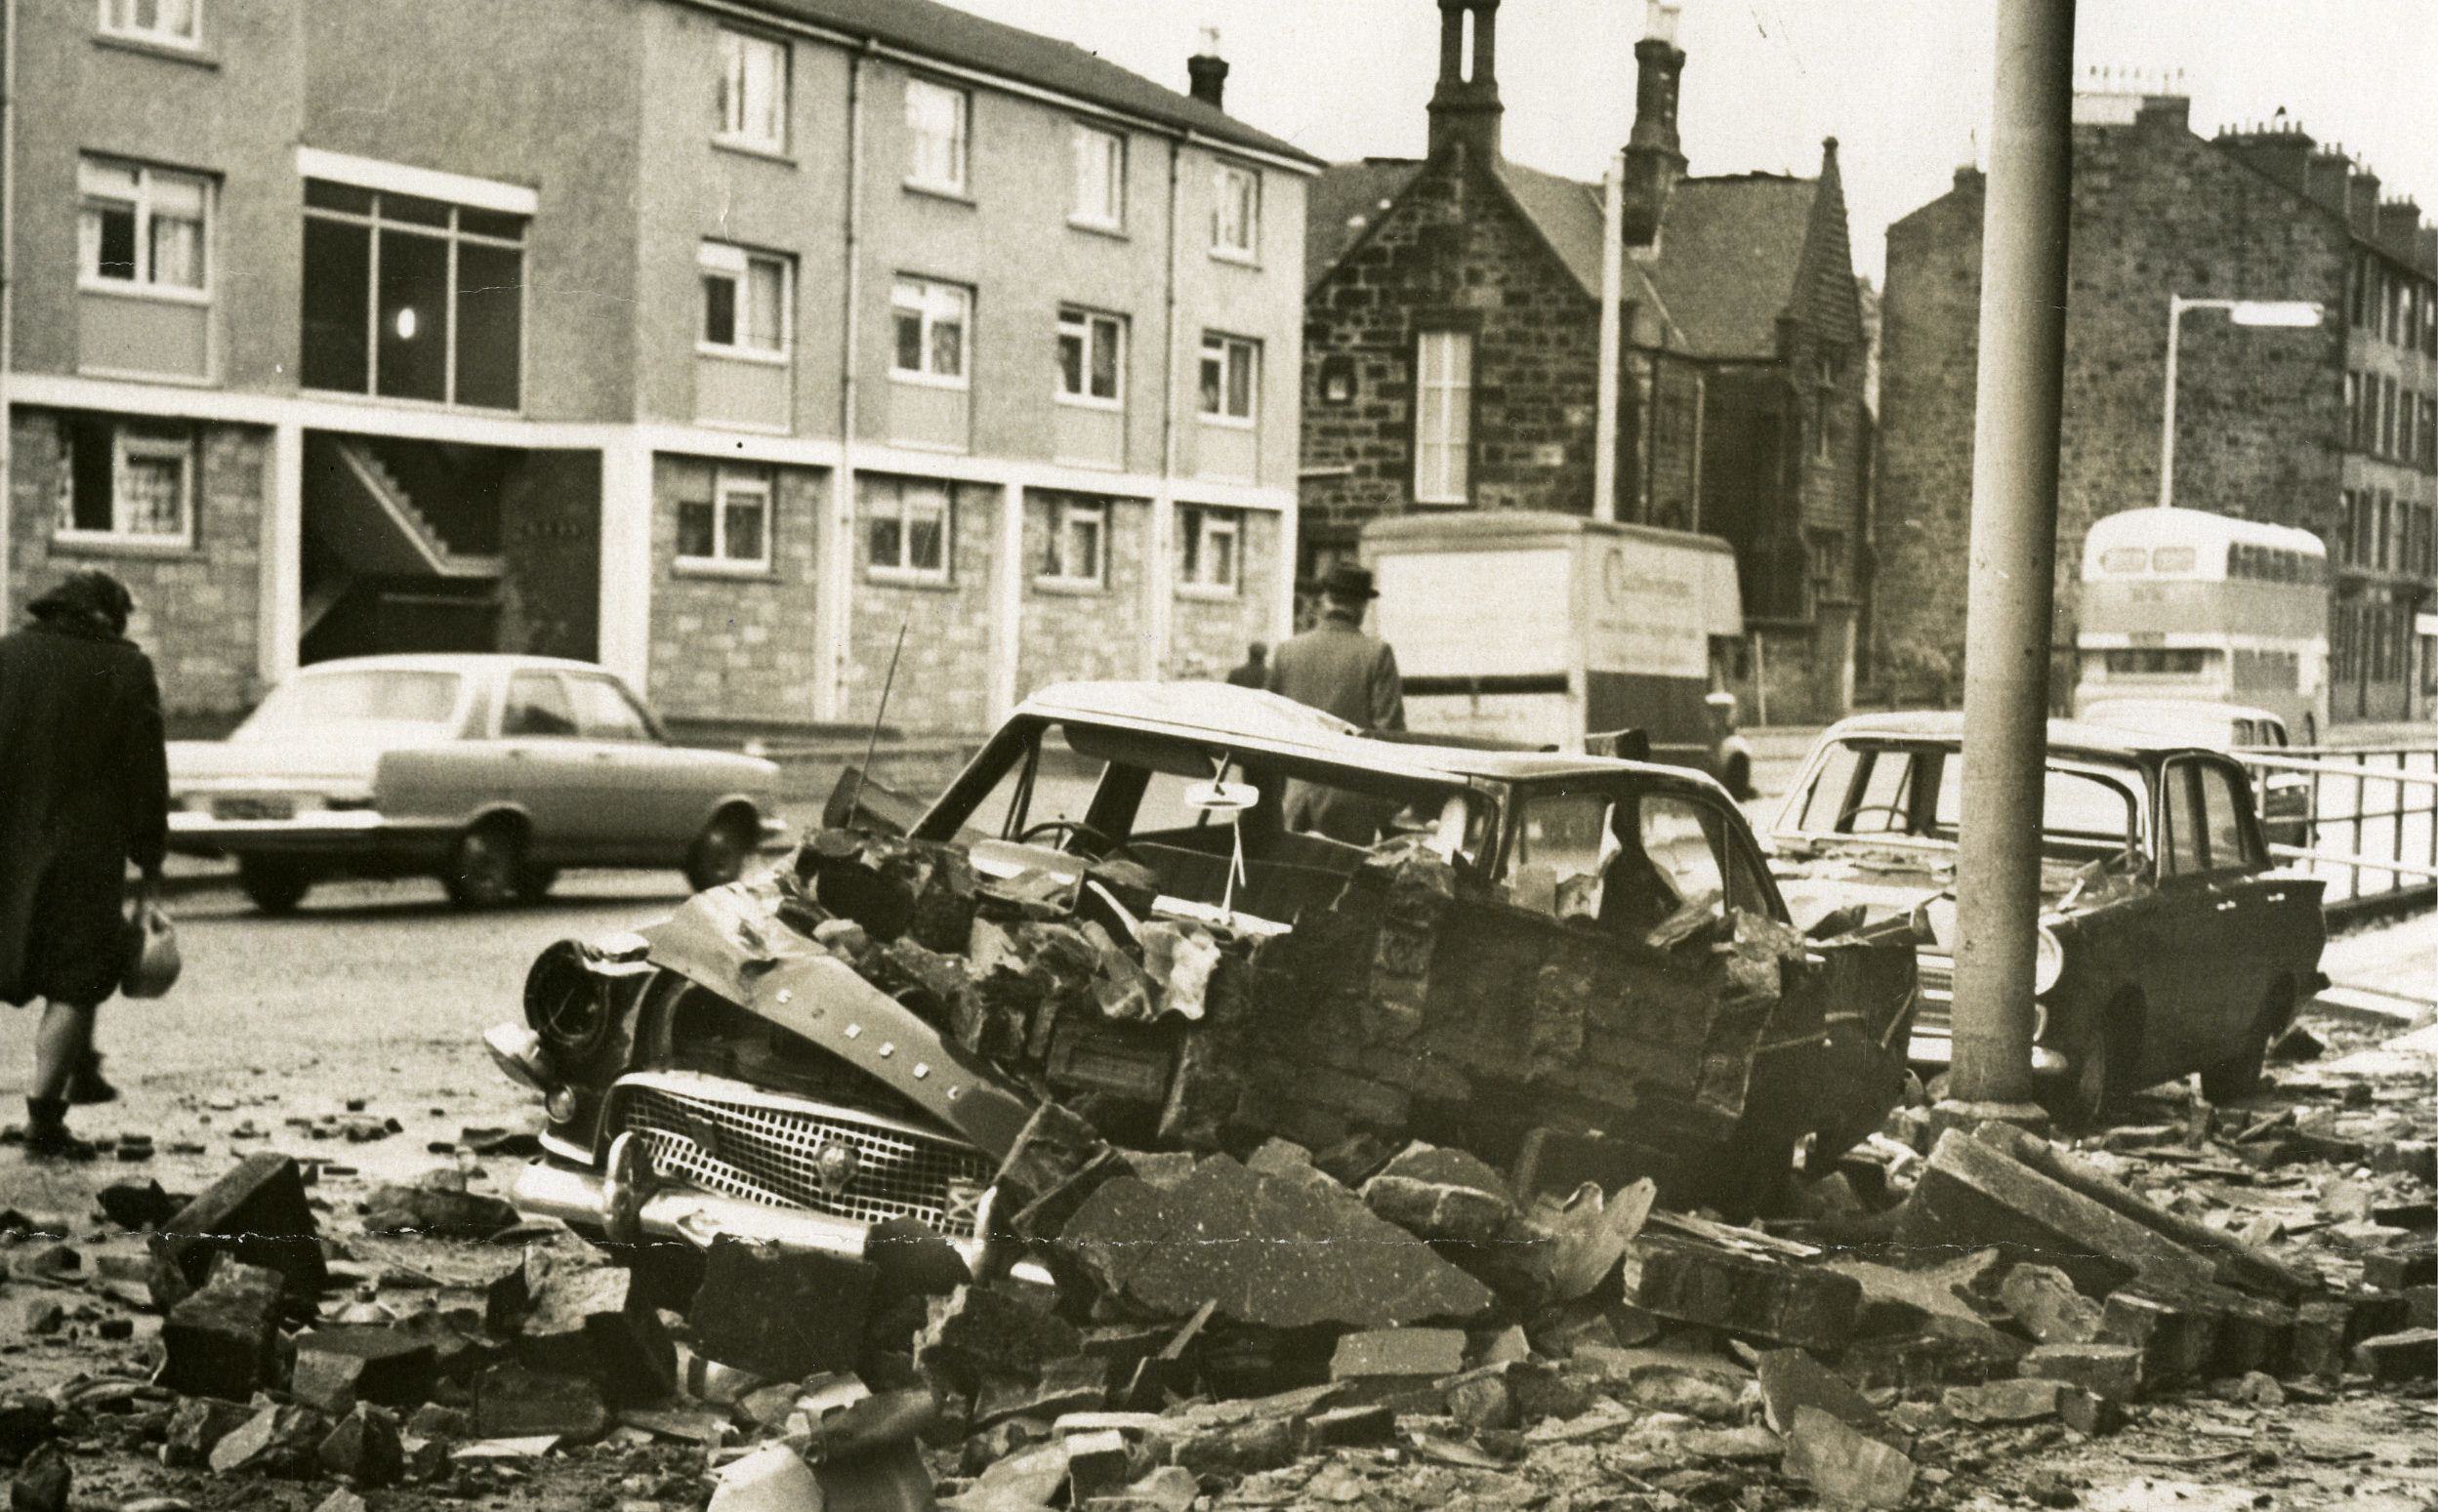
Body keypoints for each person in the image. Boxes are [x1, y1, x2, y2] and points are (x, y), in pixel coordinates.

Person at [0, 570, 168, 1160]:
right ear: (109, 615)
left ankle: (82, 1070)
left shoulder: (6, 655)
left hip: (6, 841)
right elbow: (147, 773)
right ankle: (44, 1120)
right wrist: (150, 858)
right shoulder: (126, 669)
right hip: (83, 853)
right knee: (74, 981)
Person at [1265, 562, 1405, 841]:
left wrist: (1273, 800)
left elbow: (1266, 729)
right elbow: (1389, 733)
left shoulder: (1287, 652)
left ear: (1324, 601)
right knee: (1344, 881)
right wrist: (1386, 807)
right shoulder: (1376, 653)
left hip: (1294, 799)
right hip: (1352, 803)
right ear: (1362, 607)